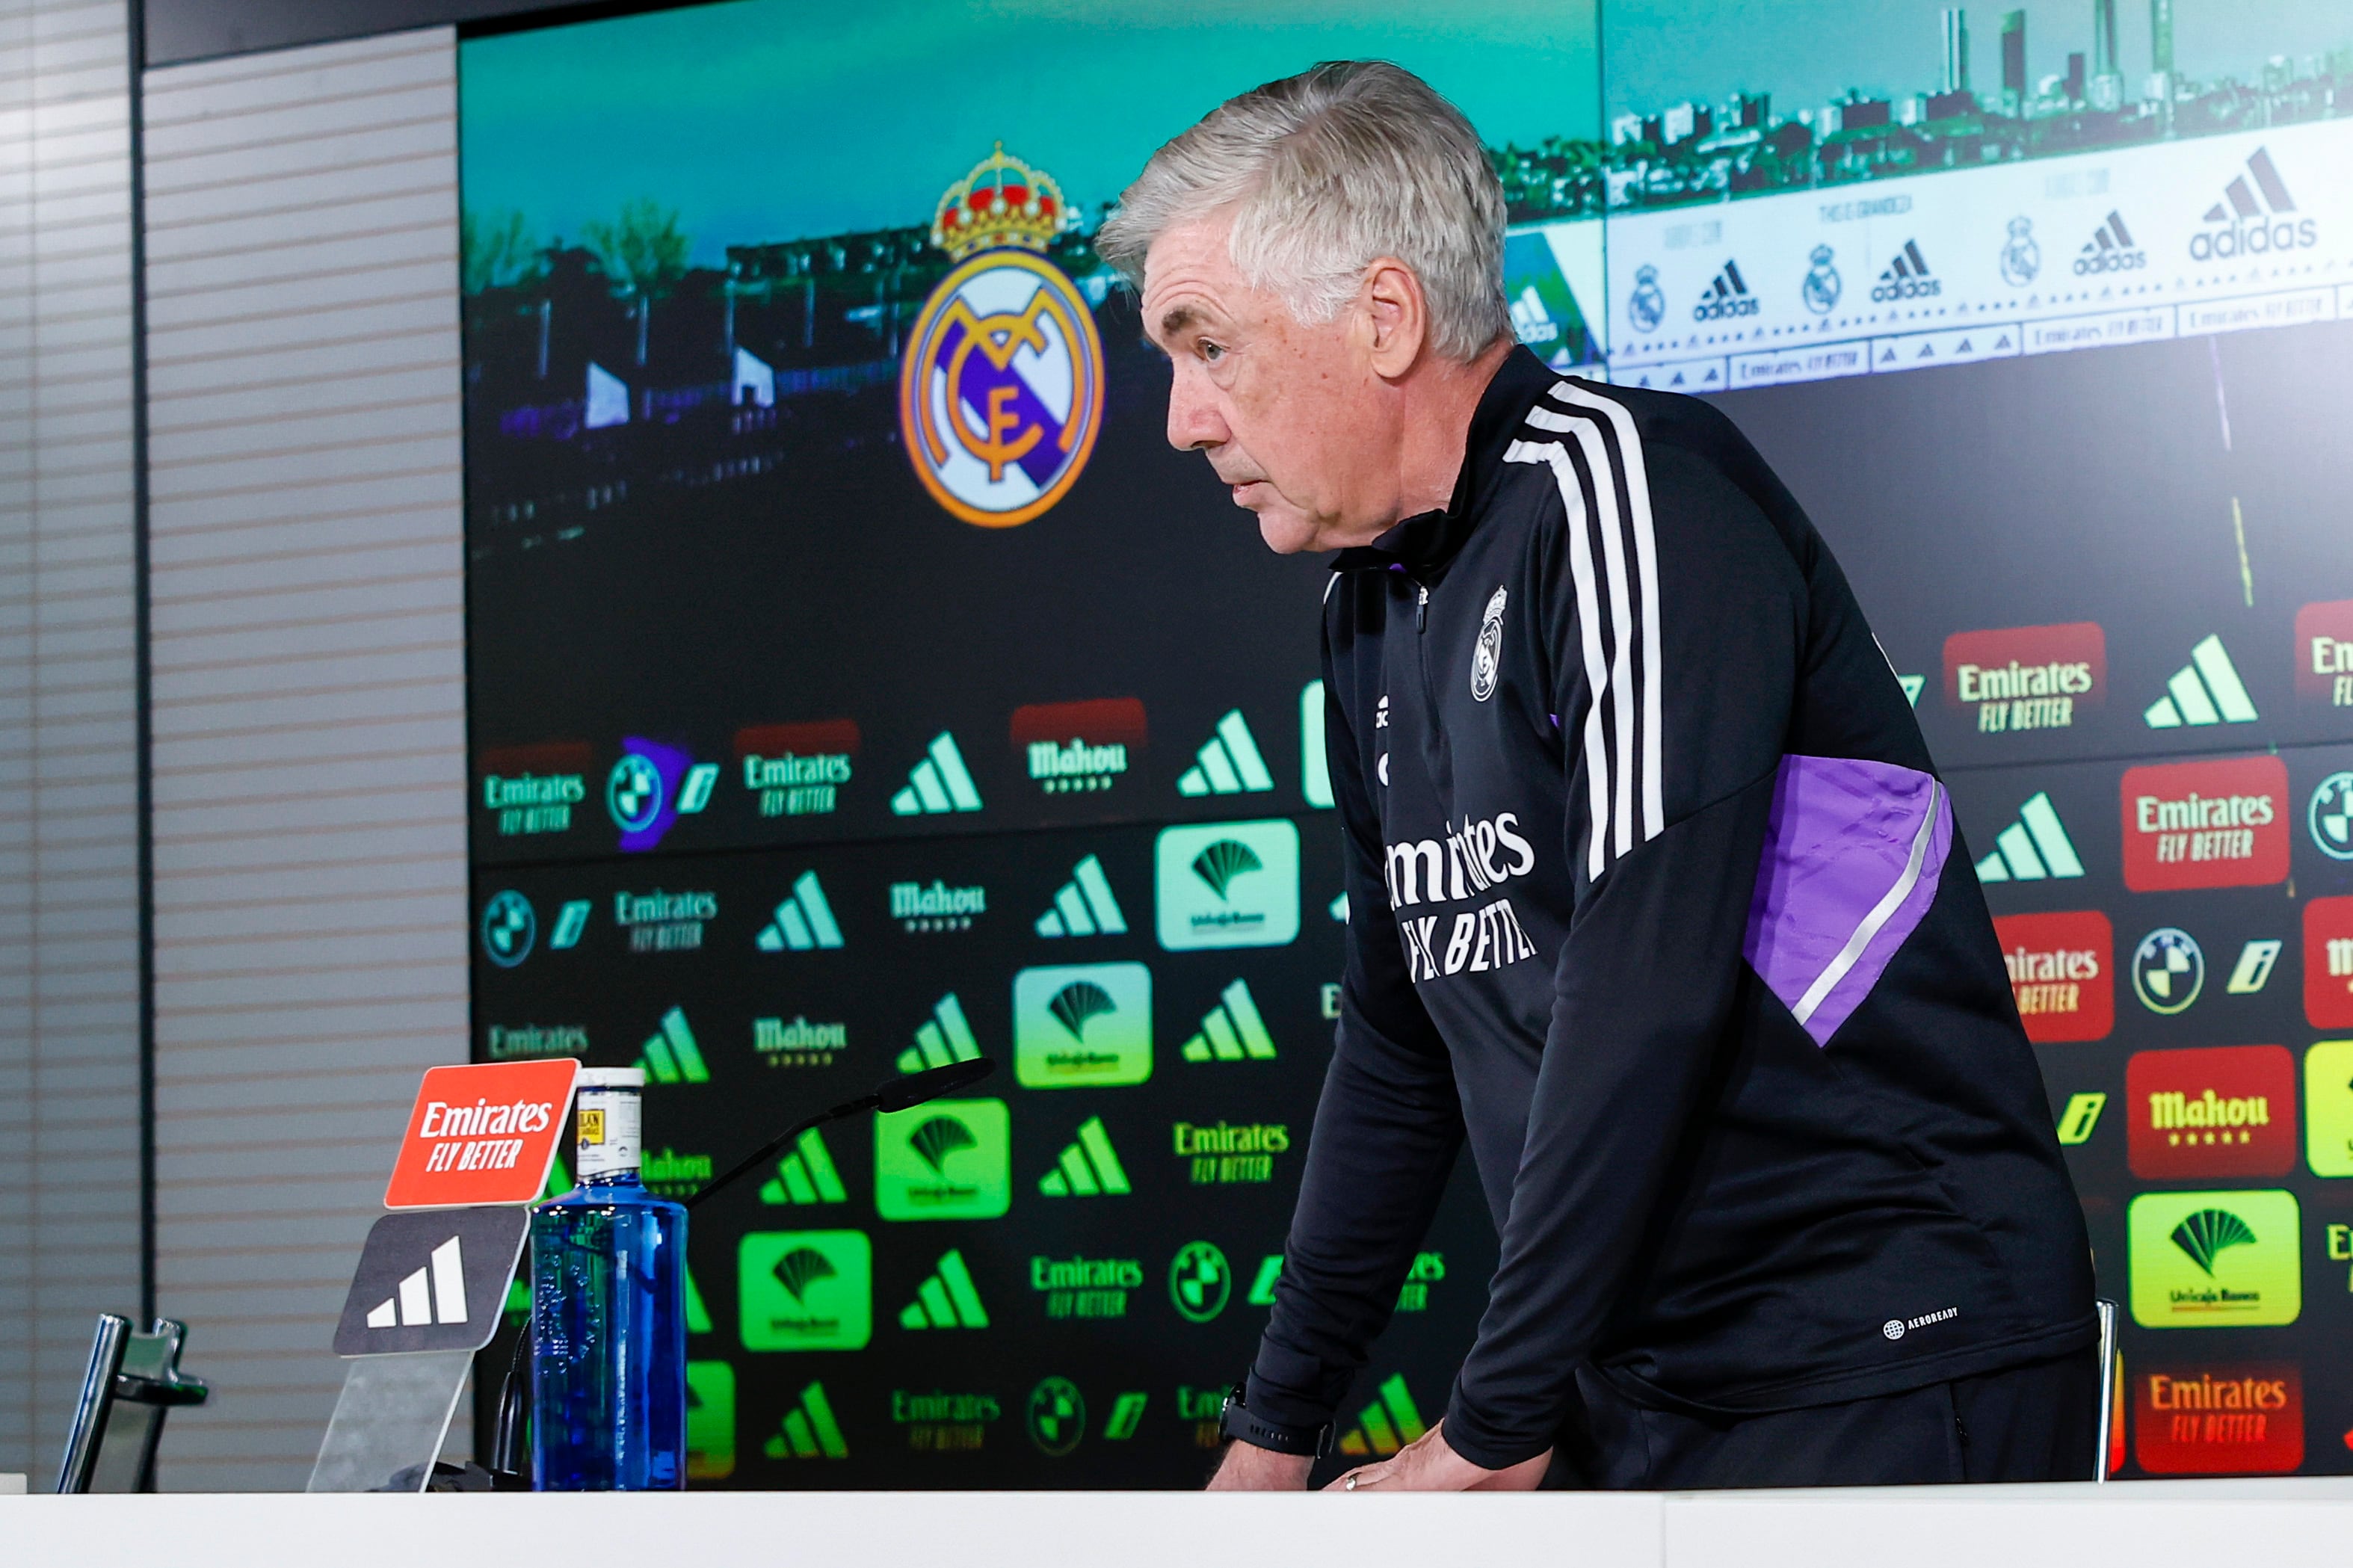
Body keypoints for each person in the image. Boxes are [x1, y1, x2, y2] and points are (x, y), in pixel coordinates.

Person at [1094, 61, 2098, 1493]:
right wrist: (1273, 1433)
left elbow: (1647, 983)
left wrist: (1493, 1425)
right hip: (1640, 1383)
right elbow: (1397, 1046)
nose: (1186, 420)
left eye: (1210, 348)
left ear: (1384, 319)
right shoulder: (1366, 606)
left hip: (1881, 1352)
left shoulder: (1632, 494)